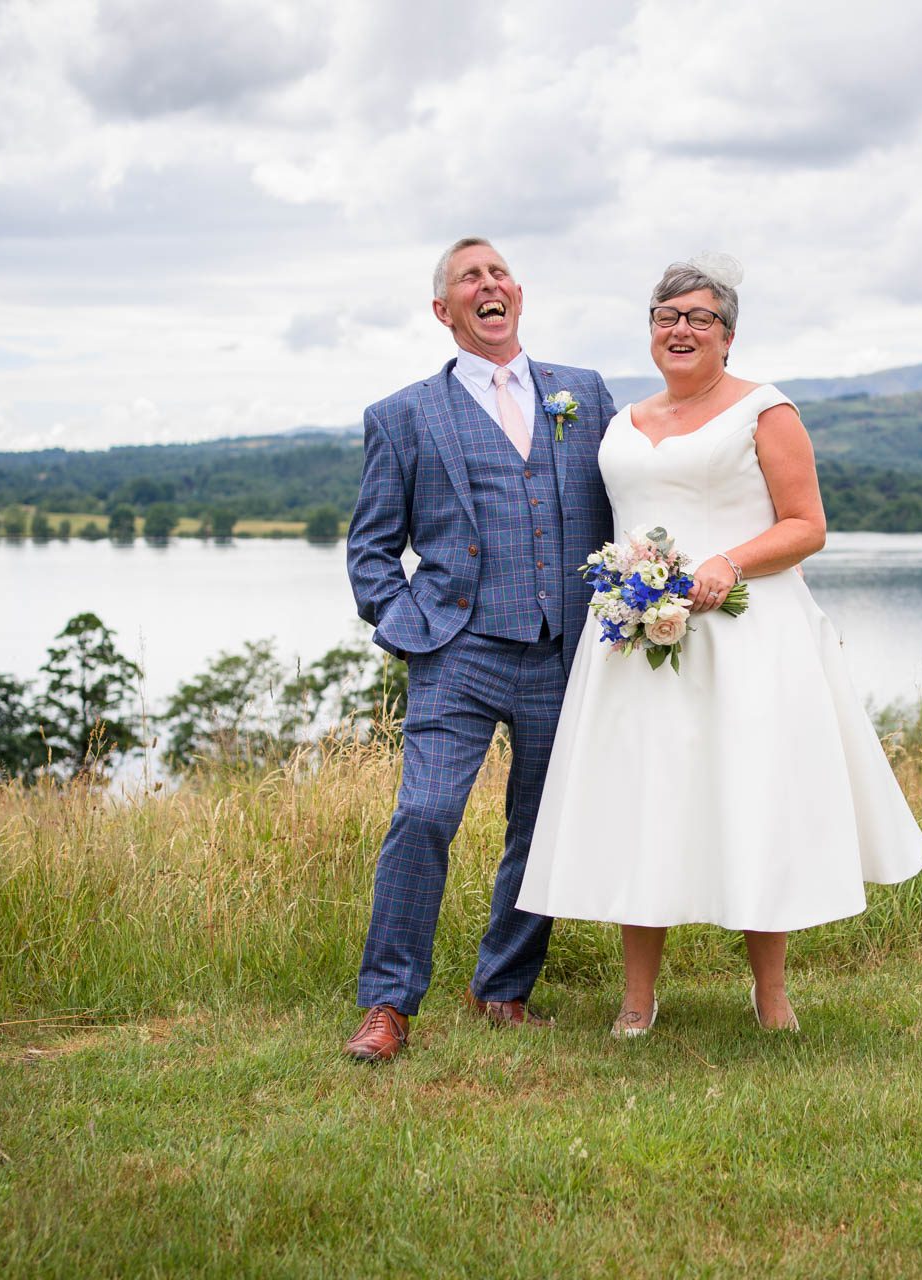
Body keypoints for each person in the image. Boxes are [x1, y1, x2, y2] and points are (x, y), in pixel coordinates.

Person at [516, 254, 922, 1035]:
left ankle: (771, 995)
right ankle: (637, 999)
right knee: (646, 804)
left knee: (752, 801)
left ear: (728, 336)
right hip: (637, 645)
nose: (681, 329)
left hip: (747, 637)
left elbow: (808, 525)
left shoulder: (765, 412)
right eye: (666, 317)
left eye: (699, 317)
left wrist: (726, 561)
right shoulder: (620, 423)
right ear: (649, 333)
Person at [341, 237, 616, 1063]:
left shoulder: (586, 394)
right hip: (455, 649)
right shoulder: (402, 415)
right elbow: (370, 549)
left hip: (561, 648)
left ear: (518, 295)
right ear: (444, 309)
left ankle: (503, 988)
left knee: (541, 826)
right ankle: (387, 1005)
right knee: (423, 815)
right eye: (470, 277)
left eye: (498, 273)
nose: (488, 285)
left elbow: (624, 503)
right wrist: (405, 623)